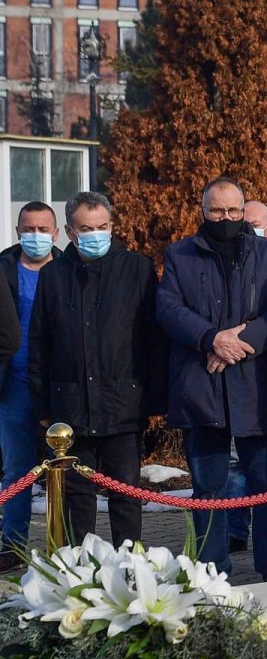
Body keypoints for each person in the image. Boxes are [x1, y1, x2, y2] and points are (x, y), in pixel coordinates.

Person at [157, 177, 267, 577]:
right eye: (218, 211)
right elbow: (168, 309)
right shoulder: (180, 255)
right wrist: (210, 339)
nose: (227, 218)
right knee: (208, 486)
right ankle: (211, 571)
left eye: (234, 211)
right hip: (202, 387)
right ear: (203, 211)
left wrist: (241, 340)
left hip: (257, 388)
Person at [27, 192, 159, 548]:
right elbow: (40, 341)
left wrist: (151, 399)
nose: (95, 234)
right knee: (77, 497)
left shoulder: (137, 269)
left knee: (126, 494)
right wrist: (42, 407)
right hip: (70, 407)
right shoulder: (54, 275)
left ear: (112, 226)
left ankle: (131, 566)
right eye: (86, 228)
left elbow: (152, 339)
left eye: (102, 227)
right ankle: (79, 572)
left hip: (123, 404)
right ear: (70, 231)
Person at [0, 201, 60, 563]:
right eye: (28, 229)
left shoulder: (70, 270)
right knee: (17, 469)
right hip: (14, 384)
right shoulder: (4, 268)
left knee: (65, 467)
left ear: (55, 234)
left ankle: (64, 542)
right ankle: (14, 543)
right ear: (18, 230)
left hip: (60, 384)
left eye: (42, 229)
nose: (35, 236)